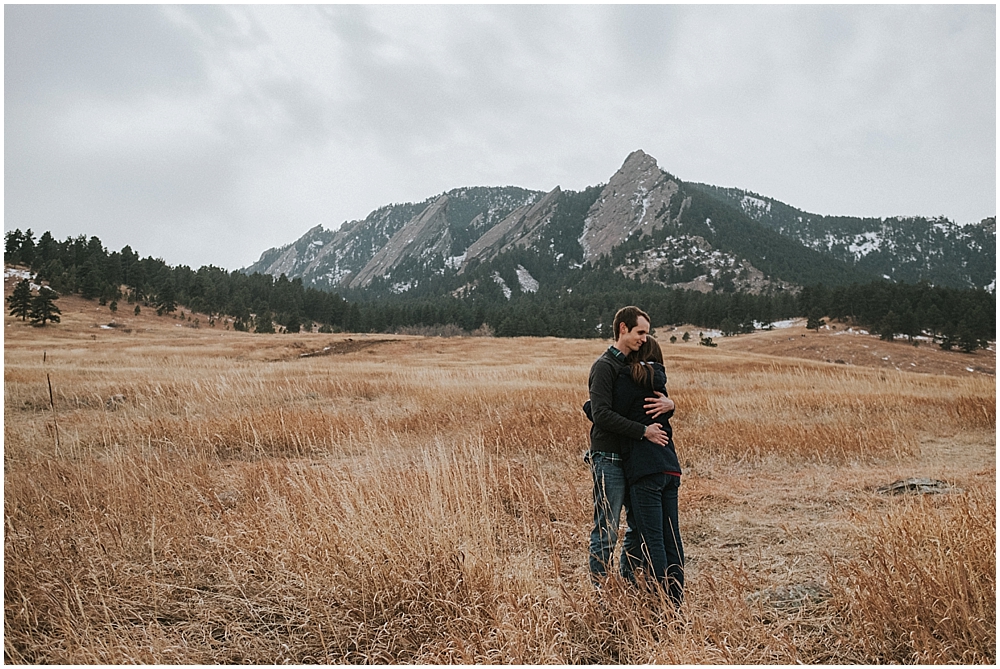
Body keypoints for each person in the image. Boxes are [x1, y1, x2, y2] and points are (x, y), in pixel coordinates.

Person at [586, 306, 672, 585]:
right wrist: (643, 431)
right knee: (607, 530)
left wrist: (671, 404)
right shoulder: (604, 366)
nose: (645, 339)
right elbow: (601, 414)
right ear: (623, 328)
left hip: (633, 460)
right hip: (609, 458)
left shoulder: (631, 367)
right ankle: (600, 595)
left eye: (647, 333)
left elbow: (647, 401)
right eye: (640, 332)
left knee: (637, 528)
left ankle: (626, 580)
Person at [616, 336, 684, 606]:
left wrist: (588, 405)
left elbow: (604, 412)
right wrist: (672, 404)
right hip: (670, 468)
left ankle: (661, 604)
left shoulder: (627, 380)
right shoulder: (660, 386)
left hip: (645, 471)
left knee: (653, 539)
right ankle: (676, 601)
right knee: (671, 538)